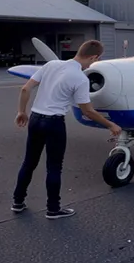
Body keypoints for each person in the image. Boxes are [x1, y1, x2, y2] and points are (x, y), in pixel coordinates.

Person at [12, 39, 122, 219]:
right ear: (94, 57)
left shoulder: (51, 65)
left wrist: (21, 112)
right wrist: (111, 124)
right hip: (54, 123)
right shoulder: (80, 78)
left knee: (29, 163)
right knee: (54, 167)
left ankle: (17, 202)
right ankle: (53, 209)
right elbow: (88, 111)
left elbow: (25, 89)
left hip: (35, 119)